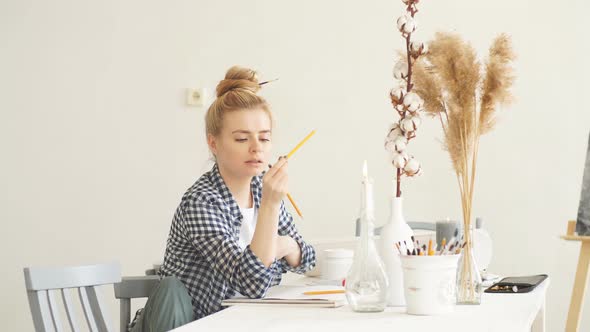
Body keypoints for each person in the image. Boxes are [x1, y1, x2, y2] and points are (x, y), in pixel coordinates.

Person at [130, 66, 316, 332]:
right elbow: (254, 284)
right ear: (213, 143)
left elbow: (308, 259)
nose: (257, 148)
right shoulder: (201, 202)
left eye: (264, 138)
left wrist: (285, 244)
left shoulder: (262, 190)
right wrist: (272, 210)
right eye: (242, 138)